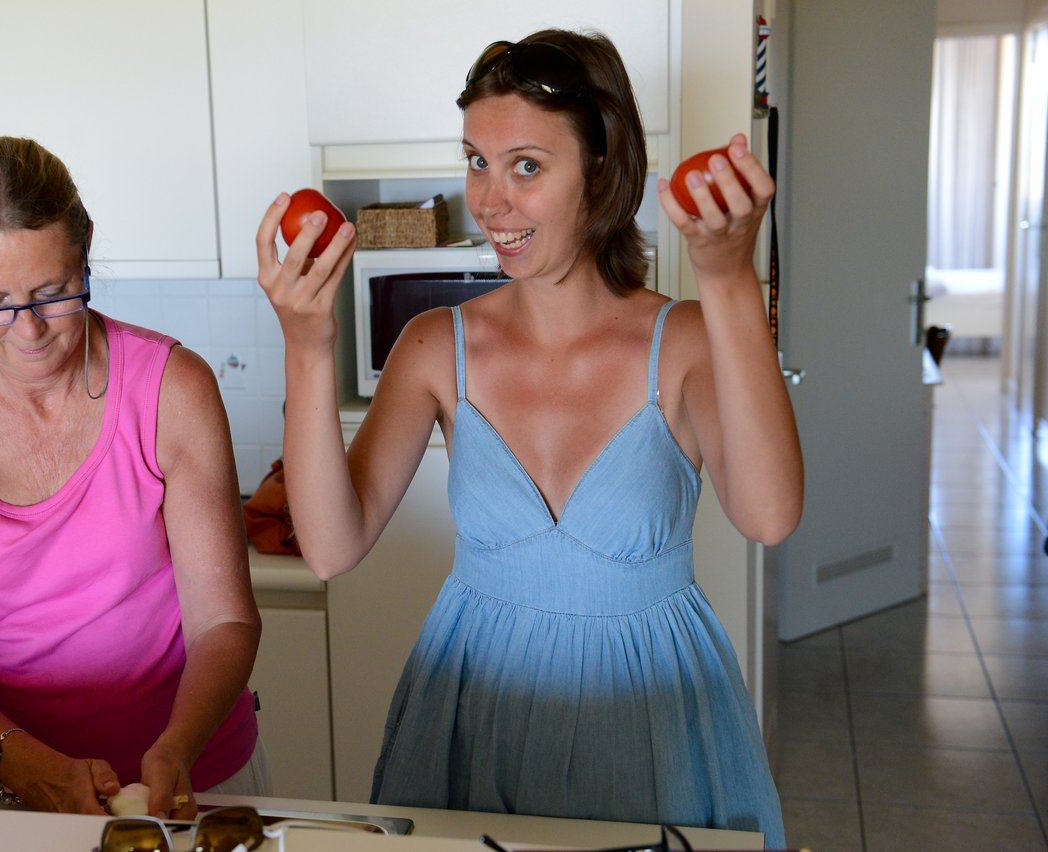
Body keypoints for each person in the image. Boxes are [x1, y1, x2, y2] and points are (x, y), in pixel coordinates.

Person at [255, 29, 801, 845]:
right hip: (473, 713)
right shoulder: (438, 344)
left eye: (527, 167)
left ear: (603, 172)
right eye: (477, 160)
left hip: (651, 718)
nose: (489, 200)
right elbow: (331, 548)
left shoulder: (683, 340)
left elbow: (769, 516)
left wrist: (728, 280)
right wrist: (307, 344)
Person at [0, 136, 266, 817]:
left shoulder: (172, 387)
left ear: (85, 250)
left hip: (186, 778)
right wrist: (27, 767)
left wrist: (176, 749)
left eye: (54, 293)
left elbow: (225, 620)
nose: (26, 331)